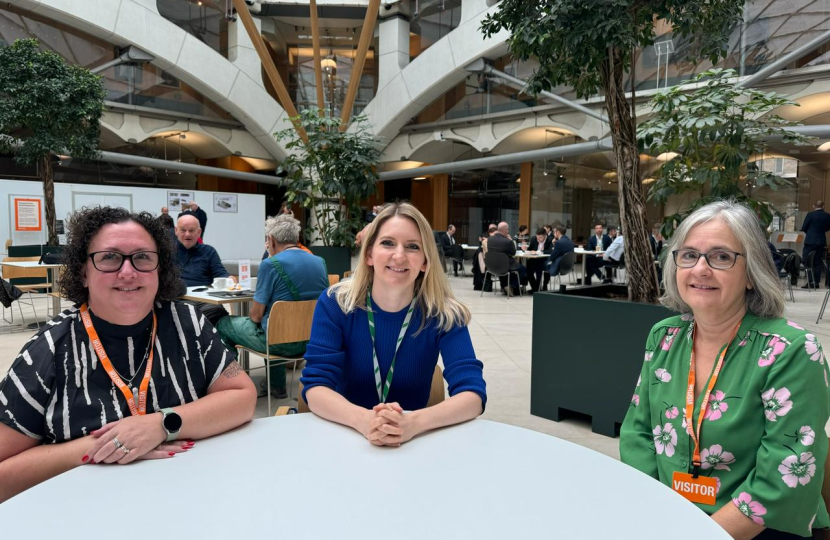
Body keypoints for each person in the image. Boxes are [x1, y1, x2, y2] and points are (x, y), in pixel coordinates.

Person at [0, 206, 256, 503]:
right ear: (83, 272)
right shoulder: (48, 349)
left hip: (186, 499)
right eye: (109, 257)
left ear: (160, 269)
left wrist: (161, 424)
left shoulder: (188, 323)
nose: (127, 271)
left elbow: (242, 395)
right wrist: (105, 446)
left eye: (142, 257)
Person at [620, 199, 830, 538]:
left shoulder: (791, 351)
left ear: (751, 274)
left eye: (721, 257)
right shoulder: (665, 337)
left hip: (758, 528)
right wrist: (654, 515)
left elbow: (783, 474)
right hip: (668, 517)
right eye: (689, 255)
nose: (700, 269)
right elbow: (637, 434)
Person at [300, 202, 486, 447]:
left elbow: (472, 395)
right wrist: (365, 421)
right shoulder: (337, 303)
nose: (399, 255)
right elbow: (316, 386)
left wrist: (413, 423)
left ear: (425, 262)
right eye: (387, 243)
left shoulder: (445, 314)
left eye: (412, 246)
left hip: (413, 445)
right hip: (344, 437)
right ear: (368, 254)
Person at [217, 215, 328, 400]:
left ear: (271, 239)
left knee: (224, 324)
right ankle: (276, 386)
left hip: (279, 343)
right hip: (310, 341)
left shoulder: (270, 264)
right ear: (296, 238)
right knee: (276, 327)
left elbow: (255, 316)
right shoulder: (319, 262)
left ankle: (232, 385)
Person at [175, 214, 234, 325]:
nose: (187, 234)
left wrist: (229, 279)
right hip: (178, 300)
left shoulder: (209, 251)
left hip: (206, 301)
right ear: (176, 231)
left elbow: (220, 273)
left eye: (192, 230)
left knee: (219, 314)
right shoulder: (166, 252)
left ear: (199, 232)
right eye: (183, 230)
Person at [487, 221, 527, 296]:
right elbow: (513, 253)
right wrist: (511, 240)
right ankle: (512, 286)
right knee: (523, 269)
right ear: (505, 230)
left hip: (493, 266)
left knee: (509, 268)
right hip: (506, 265)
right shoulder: (507, 241)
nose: (508, 231)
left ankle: (505, 286)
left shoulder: (490, 239)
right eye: (508, 230)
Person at [800, 200, 830, 289]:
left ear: (814, 206)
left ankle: (810, 282)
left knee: (808, 261)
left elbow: (804, 227)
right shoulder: (827, 216)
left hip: (810, 241)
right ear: (823, 206)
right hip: (821, 241)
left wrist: (810, 233)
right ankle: (816, 282)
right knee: (817, 262)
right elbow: (828, 228)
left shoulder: (810, 214)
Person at [527, 227, 553, 292]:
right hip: (535, 259)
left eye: (540, 237)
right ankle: (535, 287)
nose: (538, 239)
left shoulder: (550, 240)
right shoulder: (534, 239)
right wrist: (525, 249)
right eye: (537, 237)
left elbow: (550, 251)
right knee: (527, 268)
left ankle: (543, 285)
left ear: (545, 235)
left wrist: (540, 252)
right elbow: (530, 249)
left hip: (545, 259)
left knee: (541, 266)